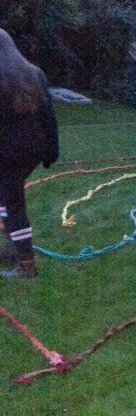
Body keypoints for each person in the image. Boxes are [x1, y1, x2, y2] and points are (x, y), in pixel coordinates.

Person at [0, 29, 60, 279]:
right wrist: (52, 151)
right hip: (32, 150)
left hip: (7, 154)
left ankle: (26, 265)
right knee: (5, 196)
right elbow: (49, 116)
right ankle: (13, 247)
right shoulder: (34, 74)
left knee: (13, 203)